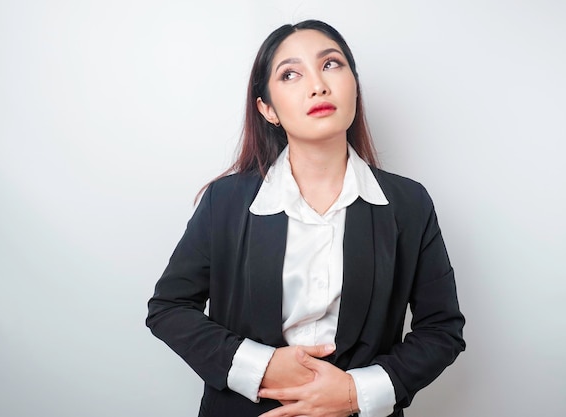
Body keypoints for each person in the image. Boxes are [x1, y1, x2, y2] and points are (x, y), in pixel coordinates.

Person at [146, 19, 465, 417]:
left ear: (354, 84)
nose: (318, 85)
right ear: (268, 109)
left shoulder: (408, 204)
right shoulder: (226, 202)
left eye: (331, 65)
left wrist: (356, 392)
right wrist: (259, 366)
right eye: (291, 74)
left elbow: (442, 330)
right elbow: (169, 308)